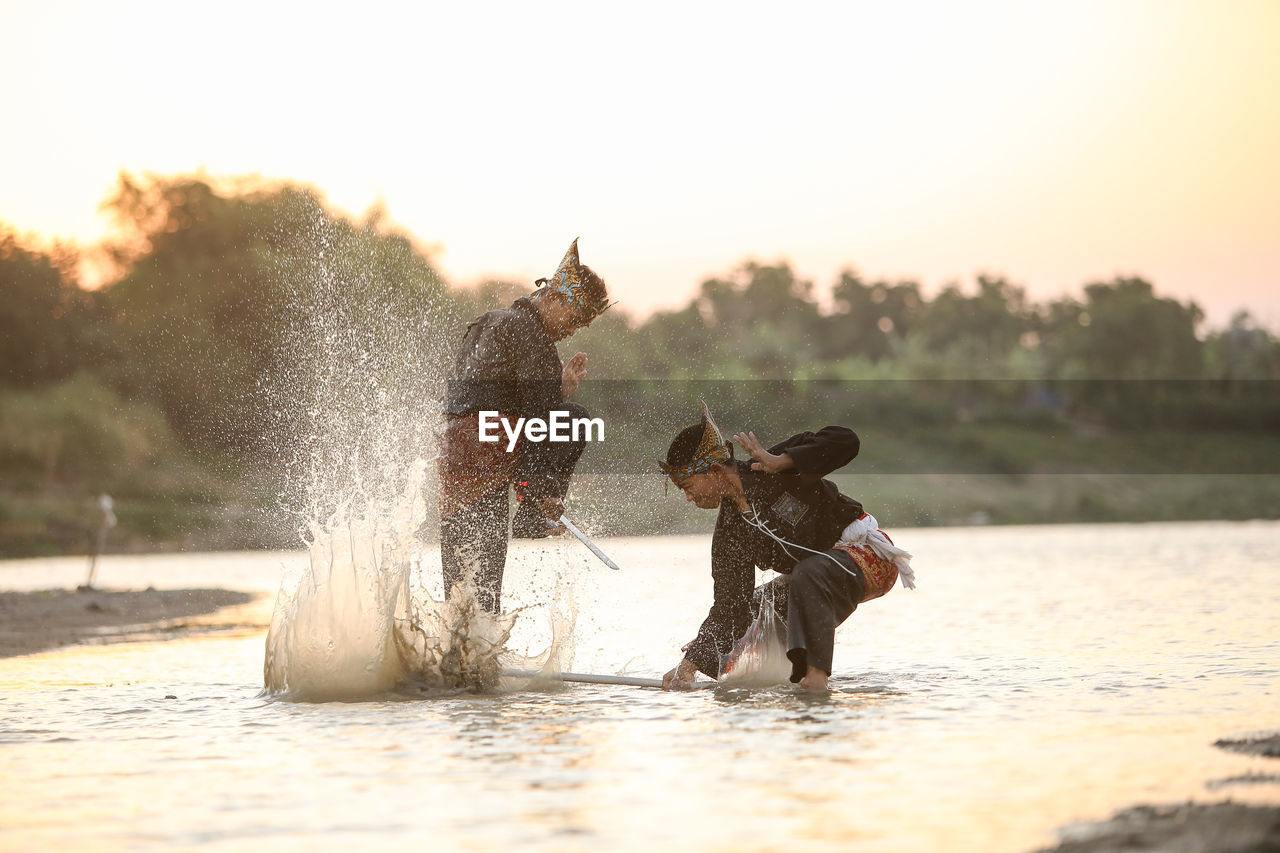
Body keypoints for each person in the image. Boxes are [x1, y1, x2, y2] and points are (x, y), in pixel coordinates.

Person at [658, 402, 915, 691]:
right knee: (755, 608)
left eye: (688, 487)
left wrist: (784, 462)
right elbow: (730, 607)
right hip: (812, 580)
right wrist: (689, 665)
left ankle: (816, 677)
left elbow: (847, 441)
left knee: (807, 573)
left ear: (715, 470)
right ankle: (742, 680)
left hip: (868, 559)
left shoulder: (771, 464)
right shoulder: (730, 532)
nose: (688, 498)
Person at [437, 239, 612, 613]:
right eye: (575, 318)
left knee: (461, 588)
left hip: (456, 458)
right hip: (491, 451)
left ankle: (457, 662)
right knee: (577, 420)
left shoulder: (489, 322)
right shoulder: (534, 338)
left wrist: (555, 389)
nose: (573, 329)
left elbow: (481, 398)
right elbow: (539, 420)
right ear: (553, 298)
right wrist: (542, 490)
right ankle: (534, 513)